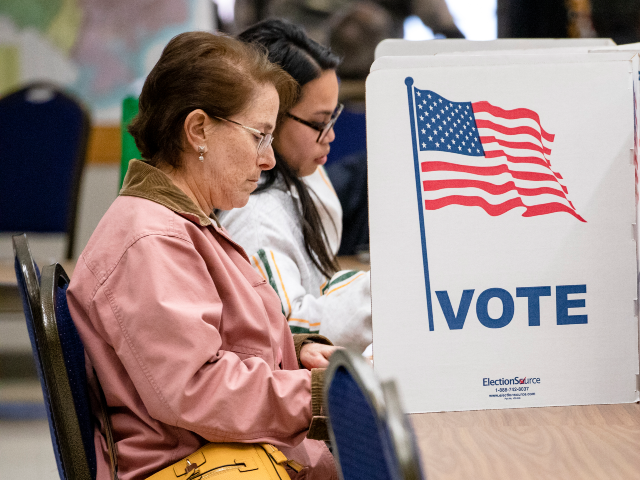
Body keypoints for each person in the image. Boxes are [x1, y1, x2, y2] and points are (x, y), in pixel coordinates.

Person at [67, 31, 338, 480]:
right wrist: (322, 394)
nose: (268, 159)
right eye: (259, 136)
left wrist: (297, 351)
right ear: (198, 130)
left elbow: (212, 343)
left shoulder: (181, 224)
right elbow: (198, 388)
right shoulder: (150, 241)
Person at [218, 19, 372, 353]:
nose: (330, 136)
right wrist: (390, 290)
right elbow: (290, 331)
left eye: (333, 119)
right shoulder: (255, 217)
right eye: (319, 123)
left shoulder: (299, 182)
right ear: (267, 118)